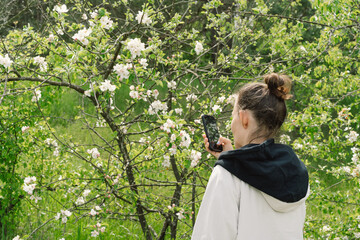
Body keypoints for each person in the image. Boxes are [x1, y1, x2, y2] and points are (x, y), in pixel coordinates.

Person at [192, 73, 309, 240]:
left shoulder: (228, 177)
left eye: (233, 116)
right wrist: (231, 158)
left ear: (243, 118)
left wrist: (230, 165)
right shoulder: (296, 171)